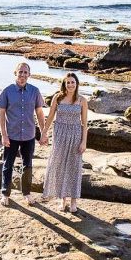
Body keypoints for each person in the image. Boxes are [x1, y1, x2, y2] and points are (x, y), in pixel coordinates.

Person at [0, 62, 47, 207]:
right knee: (8, 165)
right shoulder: (7, 91)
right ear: (15, 73)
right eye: (20, 72)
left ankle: (26, 193)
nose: (23, 75)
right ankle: (5, 194)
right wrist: (3, 135)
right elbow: (1, 114)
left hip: (29, 135)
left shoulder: (35, 91)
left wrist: (43, 133)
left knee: (28, 166)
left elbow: (39, 113)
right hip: (11, 135)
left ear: (29, 75)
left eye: (25, 72)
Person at [41, 72, 88, 212]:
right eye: (68, 82)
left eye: (73, 82)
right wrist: (44, 133)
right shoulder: (58, 97)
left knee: (74, 167)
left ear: (77, 84)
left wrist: (84, 142)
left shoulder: (82, 100)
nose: (70, 85)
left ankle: (74, 201)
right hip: (59, 134)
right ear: (64, 84)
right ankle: (62, 200)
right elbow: (50, 117)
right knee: (60, 165)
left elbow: (85, 123)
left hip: (75, 134)